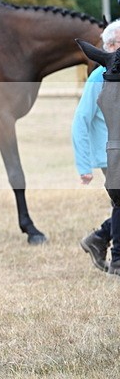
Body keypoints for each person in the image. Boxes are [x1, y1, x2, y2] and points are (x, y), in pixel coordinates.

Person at [74, 19, 120, 275]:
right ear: (111, 44)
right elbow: (80, 120)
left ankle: (99, 238)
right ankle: (116, 258)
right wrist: (84, 165)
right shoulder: (98, 77)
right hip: (109, 152)